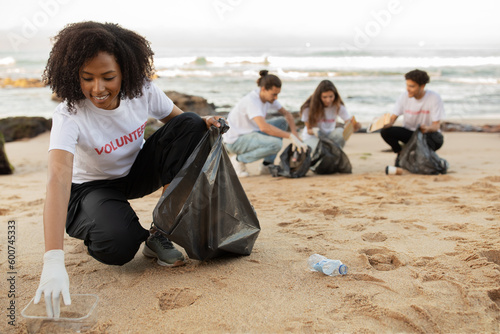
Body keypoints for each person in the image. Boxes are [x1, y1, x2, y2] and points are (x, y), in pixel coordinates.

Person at [34, 21, 222, 318]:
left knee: (191, 123)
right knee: (120, 245)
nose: (98, 88)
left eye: (108, 77)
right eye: (87, 78)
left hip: (134, 173)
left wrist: (206, 121)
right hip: (91, 189)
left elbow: (179, 124)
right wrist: (52, 260)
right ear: (74, 76)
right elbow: (58, 179)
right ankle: (103, 226)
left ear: (126, 71)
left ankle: (160, 232)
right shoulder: (69, 114)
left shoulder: (142, 90)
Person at [223, 70, 307, 177]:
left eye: (277, 94)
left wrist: (295, 134)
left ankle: (266, 165)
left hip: (251, 133)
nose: (276, 97)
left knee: (281, 122)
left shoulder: (268, 98)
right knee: (276, 144)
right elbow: (264, 128)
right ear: (263, 89)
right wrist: (290, 136)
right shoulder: (252, 101)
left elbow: (287, 114)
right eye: (274, 94)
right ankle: (238, 161)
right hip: (235, 141)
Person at [381, 69, 445, 166]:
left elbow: (436, 126)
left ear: (422, 86)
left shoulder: (434, 98)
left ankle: (421, 155)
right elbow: (393, 119)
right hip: (409, 134)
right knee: (385, 131)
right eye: (407, 85)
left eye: (412, 86)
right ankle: (400, 153)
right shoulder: (403, 97)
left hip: (426, 135)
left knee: (436, 139)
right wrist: (385, 123)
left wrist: (427, 128)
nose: (408, 89)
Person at [300, 79, 361, 150]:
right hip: (312, 137)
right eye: (325, 97)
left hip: (330, 135)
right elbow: (309, 130)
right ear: (319, 96)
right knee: (319, 149)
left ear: (335, 95)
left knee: (341, 132)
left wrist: (355, 126)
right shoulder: (308, 108)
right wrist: (315, 131)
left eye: (331, 96)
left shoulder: (338, 106)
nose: (328, 100)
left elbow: (348, 122)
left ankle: (337, 154)